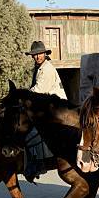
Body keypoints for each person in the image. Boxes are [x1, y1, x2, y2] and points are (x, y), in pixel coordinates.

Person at [23, 41, 67, 182]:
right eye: (35, 55)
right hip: (48, 105)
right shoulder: (39, 68)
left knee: (34, 130)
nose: (37, 57)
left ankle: (40, 163)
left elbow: (38, 90)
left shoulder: (47, 69)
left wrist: (21, 96)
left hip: (56, 107)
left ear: (45, 54)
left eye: (40, 54)